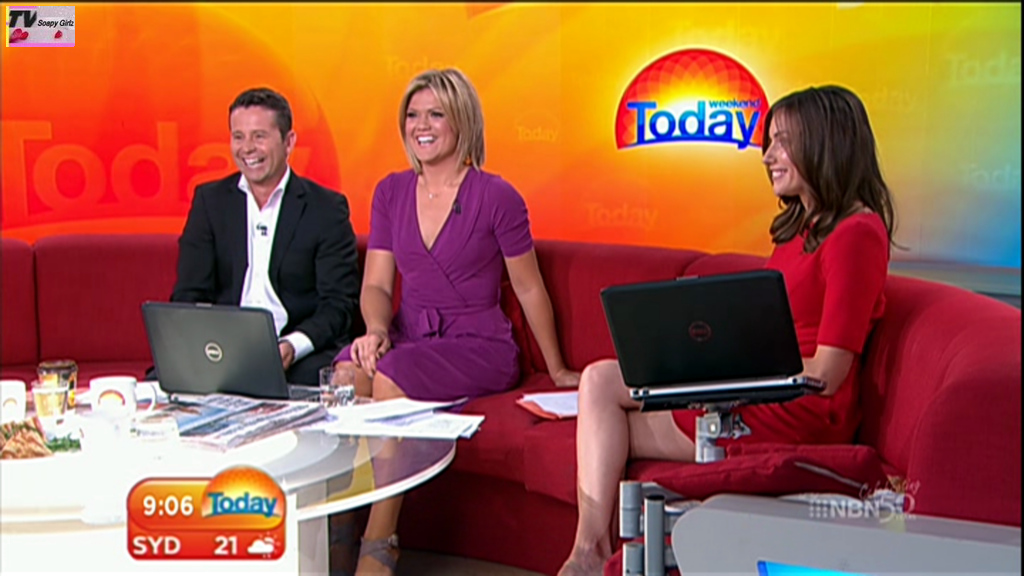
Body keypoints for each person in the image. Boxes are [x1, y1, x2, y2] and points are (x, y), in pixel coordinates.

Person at [557, 85, 898, 575]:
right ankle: (588, 550)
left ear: (825, 144)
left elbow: (828, 372)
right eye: (768, 143)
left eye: (782, 143)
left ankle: (591, 553)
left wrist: (725, 375)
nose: (768, 157)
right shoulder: (803, 227)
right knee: (599, 381)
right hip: (756, 388)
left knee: (606, 414)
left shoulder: (857, 235)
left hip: (797, 408)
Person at [334, 68, 579, 575]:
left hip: (479, 344)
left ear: (462, 121)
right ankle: (337, 524)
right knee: (345, 376)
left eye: (435, 115)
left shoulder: (497, 196)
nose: (421, 126)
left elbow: (529, 287)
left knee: (390, 377)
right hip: (406, 336)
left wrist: (556, 368)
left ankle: (378, 543)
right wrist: (375, 331)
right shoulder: (391, 192)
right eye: (413, 115)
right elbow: (377, 285)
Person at [170, 87, 361, 387]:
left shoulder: (326, 209)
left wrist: (291, 346)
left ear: (289, 142)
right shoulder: (210, 202)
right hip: (223, 352)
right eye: (238, 137)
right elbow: (189, 295)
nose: (247, 148)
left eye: (259, 136)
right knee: (162, 381)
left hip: (296, 355)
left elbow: (339, 305)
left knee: (323, 381)